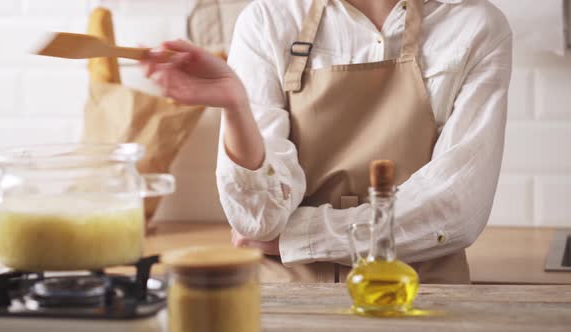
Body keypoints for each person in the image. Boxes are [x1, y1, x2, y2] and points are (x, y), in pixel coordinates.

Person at [142, 0, 512, 284]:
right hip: (290, 297)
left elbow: (455, 210)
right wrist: (236, 106)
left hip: (420, 293)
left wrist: (301, 238)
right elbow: (258, 221)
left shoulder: (474, 26)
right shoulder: (269, 19)